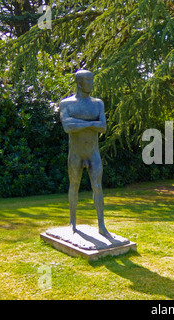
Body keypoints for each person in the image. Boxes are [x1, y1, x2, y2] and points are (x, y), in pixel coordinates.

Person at [59, 69, 110, 237]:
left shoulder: (98, 103)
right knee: (74, 186)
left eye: (92, 80)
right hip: (76, 154)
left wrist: (77, 123)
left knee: (97, 187)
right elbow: (67, 127)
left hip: (93, 152)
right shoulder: (67, 104)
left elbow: (103, 127)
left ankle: (101, 225)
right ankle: (72, 222)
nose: (92, 83)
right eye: (88, 80)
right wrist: (90, 123)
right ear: (79, 83)